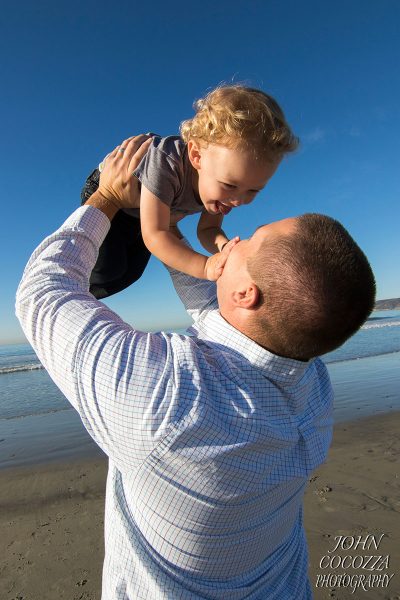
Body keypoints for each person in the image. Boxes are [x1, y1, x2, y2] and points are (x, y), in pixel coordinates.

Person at [16, 136, 376, 600]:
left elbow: (42, 294)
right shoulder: (311, 389)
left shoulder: (168, 397)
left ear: (247, 294)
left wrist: (105, 198)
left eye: (254, 241)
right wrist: (162, 202)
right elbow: (213, 305)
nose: (240, 237)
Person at [81, 85, 298, 298]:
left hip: (141, 214)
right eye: (230, 185)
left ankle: (85, 292)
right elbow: (155, 234)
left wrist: (224, 248)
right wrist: (205, 267)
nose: (238, 200)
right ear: (196, 156)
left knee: (131, 273)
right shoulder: (167, 163)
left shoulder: (217, 187)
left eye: (253, 190)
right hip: (111, 191)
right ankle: (66, 288)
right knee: (109, 268)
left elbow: (208, 230)